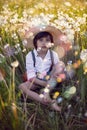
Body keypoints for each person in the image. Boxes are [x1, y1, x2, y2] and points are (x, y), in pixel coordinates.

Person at [19, 30, 65, 112]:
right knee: (22, 87)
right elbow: (31, 76)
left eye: (47, 40)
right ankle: (49, 102)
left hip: (50, 79)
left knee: (60, 64)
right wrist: (43, 83)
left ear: (51, 43)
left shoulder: (53, 54)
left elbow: (58, 69)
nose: (44, 43)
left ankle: (46, 91)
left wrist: (58, 72)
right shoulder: (30, 55)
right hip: (35, 80)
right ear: (35, 42)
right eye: (41, 40)